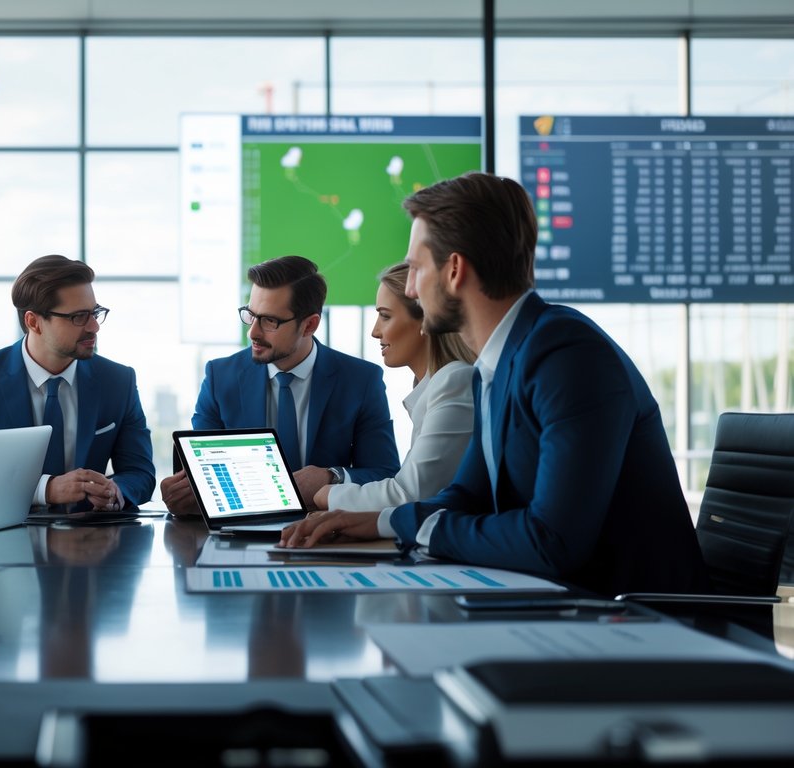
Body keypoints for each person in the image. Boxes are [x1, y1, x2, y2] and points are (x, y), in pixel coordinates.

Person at [286, 172, 709, 597]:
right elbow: (465, 495)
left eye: (415, 269)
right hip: (567, 606)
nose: (411, 288)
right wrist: (378, 521)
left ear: (454, 271)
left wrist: (415, 525)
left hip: (637, 622)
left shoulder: (566, 356)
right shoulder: (501, 362)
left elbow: (552, 541)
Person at [160, 254, 399, 514]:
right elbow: (202, 475)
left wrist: (332, 477)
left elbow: (385, 474)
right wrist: (185, 493)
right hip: (240, 534)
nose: (253, 332)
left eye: (270, 321)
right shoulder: (220, 377)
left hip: (324, 534)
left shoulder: (360, 380)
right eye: (251, 315)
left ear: (310, 325)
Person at [0, 254, 155, 516]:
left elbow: (140, 473)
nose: (94, 326)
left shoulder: (118, 381)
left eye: (94, 312)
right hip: (5, 545)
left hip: (95, 542)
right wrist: (43, 490)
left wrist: (115, 492)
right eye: (78, 317)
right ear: (33, 321)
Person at [280, 261, 475, 546]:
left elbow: (408, 495)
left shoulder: (454, 382)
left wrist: (326, 492)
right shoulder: (434, 387)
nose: (374, 331)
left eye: (385, 316)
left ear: (426, 320)